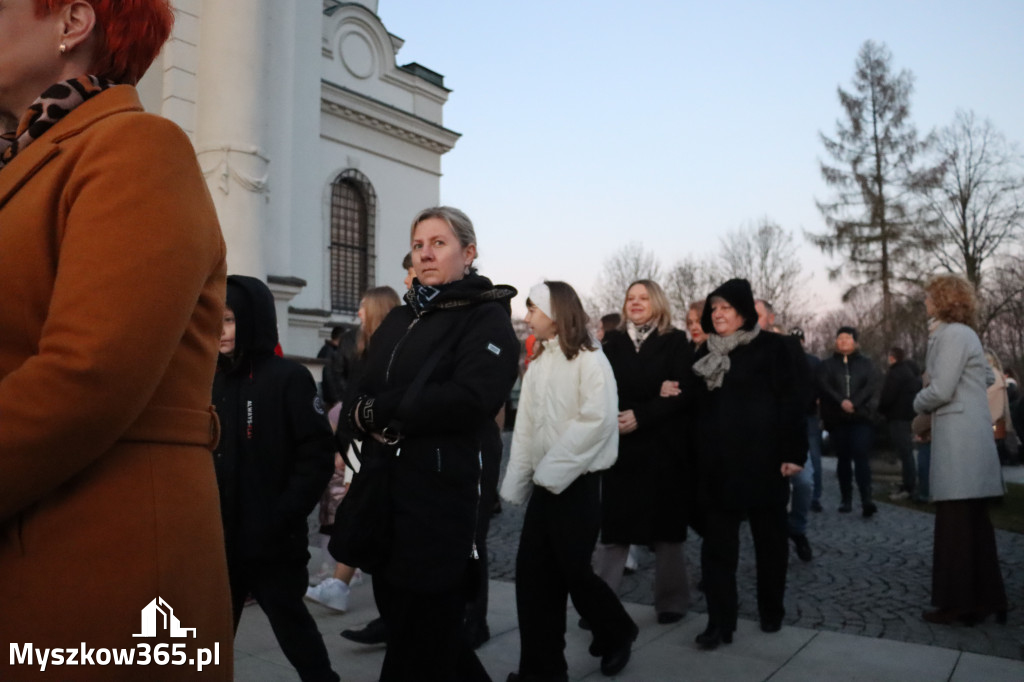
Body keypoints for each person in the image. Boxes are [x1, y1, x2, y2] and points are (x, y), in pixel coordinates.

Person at [0, 1, 233, 677]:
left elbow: (86, 376)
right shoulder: (29, 156)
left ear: (73, 23)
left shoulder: (138, 145)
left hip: (98, 565)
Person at [345, 206, 519, 682]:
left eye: (438, 243)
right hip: (385, 491)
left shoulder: (486, 318)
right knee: (415, 630)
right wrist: (361, 415)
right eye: (419, 245)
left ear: (469, 252)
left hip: (443, 495)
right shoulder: (401, 318)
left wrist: (380, 412)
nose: (425, 254)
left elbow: (469, 398)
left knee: (424, 632)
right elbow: (362, 383)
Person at [501, 281, 638, 682]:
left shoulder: (591, 358)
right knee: (532, 580)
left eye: (532, 310)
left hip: (577, 484)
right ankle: (541, 671)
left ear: (555, 312)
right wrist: (522, 477)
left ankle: (617, 630)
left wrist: (551, 470)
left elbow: (596, 421)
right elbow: (525, 427)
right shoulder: (541, 361)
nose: (526, 318)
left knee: (573, 573)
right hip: (547, 484)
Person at [214, 275, 339, 682]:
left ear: (250, 320)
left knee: (292, 626)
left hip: (272, 542)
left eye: (229, 319)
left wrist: (280, 515)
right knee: (210, 637)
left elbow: (316, 455)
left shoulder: (287, 379)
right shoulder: (207, 378)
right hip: (219, 541)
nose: (219, 329)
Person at [682, 279, 807, 650]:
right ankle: (720, 622)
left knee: (770, 545)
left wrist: (793, 453)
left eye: (725, 308)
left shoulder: (776, 347)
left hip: (765, 465)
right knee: (717, 550)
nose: (718, 314)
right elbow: (694, 408)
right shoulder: (704, 354)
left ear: (744, 312)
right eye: (713, 309)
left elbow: (793, 401)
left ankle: (772, 610)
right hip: (718, 468)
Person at [595, 280, 694, 624]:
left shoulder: (676, 341)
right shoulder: (613, 343)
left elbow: (683, 394)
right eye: (630, 298)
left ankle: (671, 602)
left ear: (657, 302)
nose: (635, 303)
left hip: (663, 450)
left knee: (667, 533)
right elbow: (602, 390)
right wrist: (655, 390)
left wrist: (642, 413)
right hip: (622, 447)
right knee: (614, 532)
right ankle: (600, 603)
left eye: (643, 298)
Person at [913, 275, 1007, 625]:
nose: (925, 302)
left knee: (955, 526)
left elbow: (940, 389)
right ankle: (988, 599)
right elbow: (984, 377)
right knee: (974, 526)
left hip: (958, 442)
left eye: (929, 296)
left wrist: (916, 402)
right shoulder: (967, 334)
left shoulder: (951, 334)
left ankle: (959, 603)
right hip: (971, 437)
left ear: (942, 299)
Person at [307, 287, 401, 612]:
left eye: (363, 307)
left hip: (372, 447)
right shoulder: (364, 347)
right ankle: (340, 581)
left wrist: (348, 451)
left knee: (359, 508)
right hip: (358, 443)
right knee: (357, 508)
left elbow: (365, 404)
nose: (357, 313)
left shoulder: (386, 353)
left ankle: (342, 581)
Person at [818, 326, 879, 517]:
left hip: (861, 417)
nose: (843, 341)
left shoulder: (866, 364)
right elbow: (824, 385)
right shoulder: (827, 365)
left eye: (847, 338)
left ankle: (866, 498)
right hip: (837, 418)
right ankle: (846, 499)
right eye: (840, 338)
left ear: (855, 341)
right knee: (843, 458)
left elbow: (871, 386)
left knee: (861, 455)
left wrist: (854, 403)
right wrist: (841, 401)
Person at [879, 347, 922, 500]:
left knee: (905, 452)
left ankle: (908, 486)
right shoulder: (910, 372)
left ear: (892, 357)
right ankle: (909, 483)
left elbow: (888, 395)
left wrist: (881, 409)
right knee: (907, 452)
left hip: (897, 416)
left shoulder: (896, 373)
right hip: (908, 415)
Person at [791, 328, 826, 513]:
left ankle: (814, 496)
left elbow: (821, 387)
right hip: (804, 413)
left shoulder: (812, 362)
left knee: (813, 456)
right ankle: (814, 497)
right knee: (813, 456)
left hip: (807, 414)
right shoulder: (812, 361)